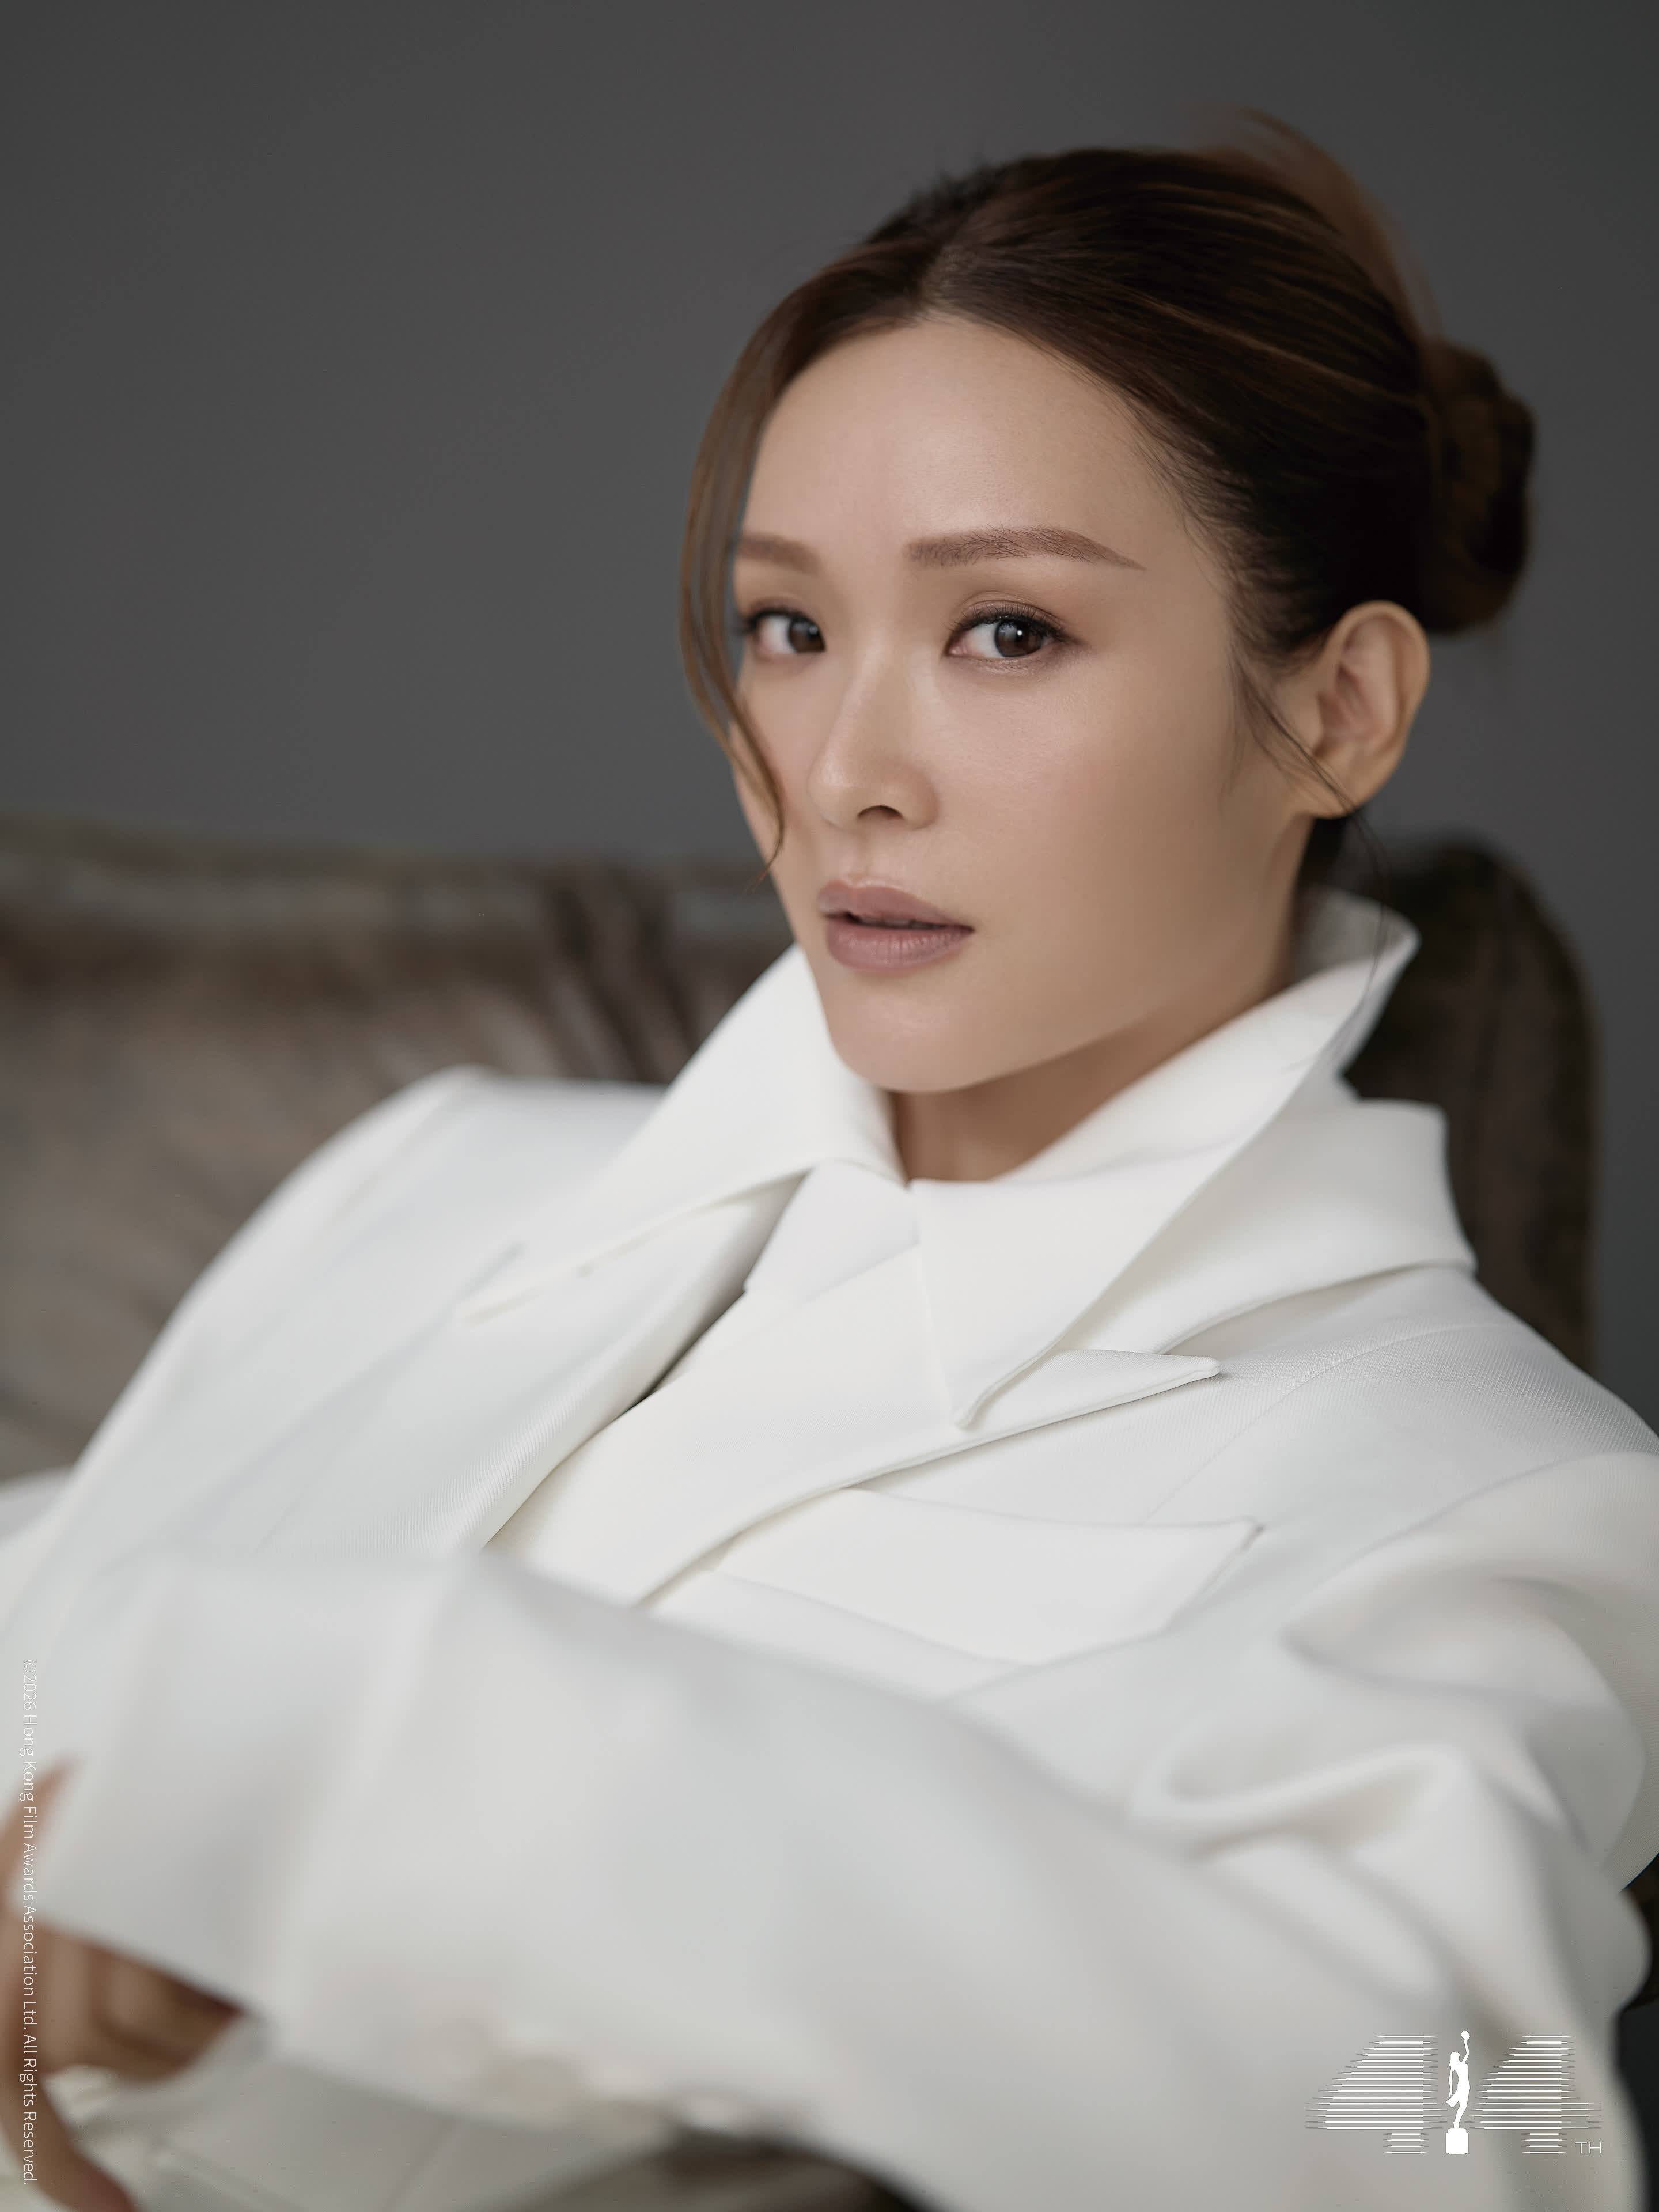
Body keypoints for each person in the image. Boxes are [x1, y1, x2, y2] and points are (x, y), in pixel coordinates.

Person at [0, 119, 1654, 2212]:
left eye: (1006, 633)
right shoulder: (442, 1175)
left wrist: (416, 1789)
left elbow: (1482, 2124)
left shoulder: (1502, 1493)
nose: (848, 773)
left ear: (1339, 707)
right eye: (788, 627)